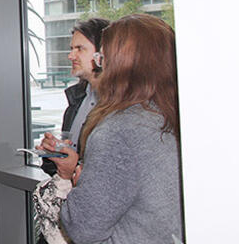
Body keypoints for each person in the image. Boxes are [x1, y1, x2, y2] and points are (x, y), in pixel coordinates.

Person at [34, 14, 183, 243]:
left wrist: (79, 179)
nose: (97, 63)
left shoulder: (119, 129)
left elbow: (82, 227)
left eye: (101, 57)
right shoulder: (173, 116)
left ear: (121, 64)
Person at [40, 18, 109, 176]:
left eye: (80, 49)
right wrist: (53, 151)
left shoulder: (118, 108)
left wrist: (74, 167)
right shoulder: (77, 100)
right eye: (72, 48)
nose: (71, 55)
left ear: (103, 53)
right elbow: (62, 165)